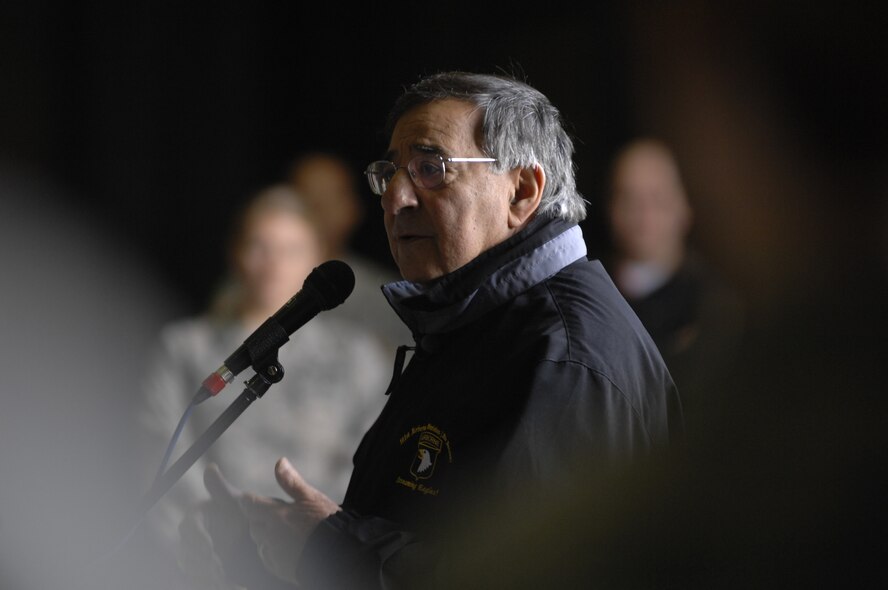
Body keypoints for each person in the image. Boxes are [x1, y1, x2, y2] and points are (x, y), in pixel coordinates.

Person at [177, 71, 685, 589]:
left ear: (522, 192)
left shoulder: (567, 358)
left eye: (430, 168)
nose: (395, 198)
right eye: (390, 173)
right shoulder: (472, 317)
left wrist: (330, 550)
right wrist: (268, 550)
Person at [135, 184, 391, 582]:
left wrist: (318, 542)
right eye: (260, 246)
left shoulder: (355, 356)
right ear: (235, 252)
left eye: (290, 250)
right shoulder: (185, 347)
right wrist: (217, 549)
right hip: (209, 559)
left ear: (318, 259)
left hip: (319, 559)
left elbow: (369, 464)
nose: (273, 264)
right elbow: (162, 456)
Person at [605, 138, 744, 450]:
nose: (643, 215)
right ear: (611, 209)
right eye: (629, 199)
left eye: (657, 199)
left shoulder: (714, 309)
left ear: (684, 208)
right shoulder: (587, 298)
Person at [287, 151, 412, 350]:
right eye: (306, 197)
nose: (318, 209)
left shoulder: (387, 298)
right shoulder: (248, 287)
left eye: (330, 198)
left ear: (354, 209)